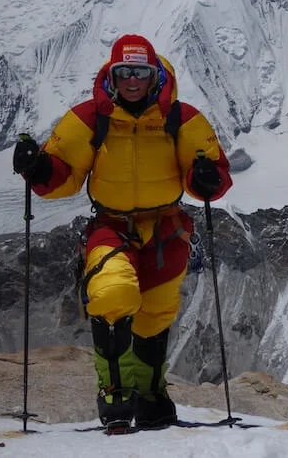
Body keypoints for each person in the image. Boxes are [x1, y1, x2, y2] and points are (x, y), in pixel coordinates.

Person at [12, 34, 232, 432]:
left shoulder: (182, 119)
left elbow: (212, 172)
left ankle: (150, 395)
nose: (133, 80)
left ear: (155, 76)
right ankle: (115, 392)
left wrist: (206, 178)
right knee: (112, 293)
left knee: (155, 315)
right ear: (111, 75)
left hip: (166, 230)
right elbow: (63, 174)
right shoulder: (90, 118)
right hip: (111, 227)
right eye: (125, 72)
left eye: (140, 72)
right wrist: (39, 169)